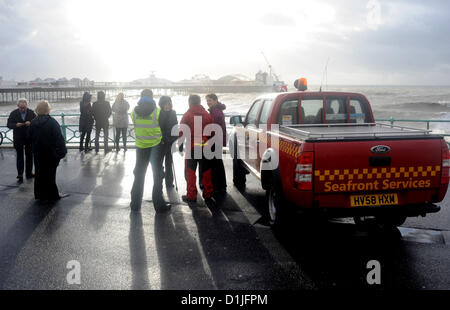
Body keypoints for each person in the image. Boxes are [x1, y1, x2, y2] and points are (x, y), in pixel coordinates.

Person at [130, 89, 171, 212]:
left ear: (141, 97)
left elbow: (136, 126)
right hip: (155, 146)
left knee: (139, 175)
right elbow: (164, 128)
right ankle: (159, 206)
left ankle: (135, 205)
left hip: (140, 146)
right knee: (157, 175)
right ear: (152, 97)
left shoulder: (133, 112)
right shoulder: (158, 112)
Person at [28, 100, 67, 201]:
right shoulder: (52, 122)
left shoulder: (33, 122)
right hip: (51, 153)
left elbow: (29, 137)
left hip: (38, 153)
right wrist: (62, 153)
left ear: (37, 109)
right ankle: (53, 195)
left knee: (39, 174)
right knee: (50, 175)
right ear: (48, 109)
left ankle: (39, 195)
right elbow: (59, 138)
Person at [179, 94, 214, 203]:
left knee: (190, 172)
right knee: (206, 171)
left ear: (190, 102)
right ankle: (208, 195)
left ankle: (191, 196)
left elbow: (182, 131)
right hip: (205, 146)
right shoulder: (207, 115)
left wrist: (180, 144)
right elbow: (212, 132)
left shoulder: (187, 115)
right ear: (199, 102)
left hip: (192, 147)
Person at [7, 98, 36, 182]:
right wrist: (16, 125)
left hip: (29, 137)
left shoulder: (31, 112)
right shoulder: (13, 113)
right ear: (18, 106)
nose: (23, 109)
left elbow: (36, 122)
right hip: (18, 138)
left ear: (27, 105)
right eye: (21, 108)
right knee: (19, 156)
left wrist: (31, 123)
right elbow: (8, 124)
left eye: (24, 107)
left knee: (29, 156)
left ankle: (29, 173)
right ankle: (20, 174)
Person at [205, 93, 227, 195]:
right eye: (207, 101)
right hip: (218, 139)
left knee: (215, 164)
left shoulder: (216, 112)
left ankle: (218, 186)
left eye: (210, 100)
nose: (208, 102)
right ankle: (221, 186)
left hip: (215, 140)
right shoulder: (215, 110)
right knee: (218, 163)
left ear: (215, 100)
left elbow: (212, 127)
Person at [158, 96, 178, 188]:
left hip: (170, 142)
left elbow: (175, 127)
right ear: (161, 105)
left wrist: (173, 139)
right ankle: (160, 177)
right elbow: (156, 128)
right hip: (160, 142)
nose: (167, 106)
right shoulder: (158, 113)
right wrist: (161, 138)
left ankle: (169, 182)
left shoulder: (173, 113)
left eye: (168, 104)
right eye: (165, 104)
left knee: (169, 162)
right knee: (159, 162)